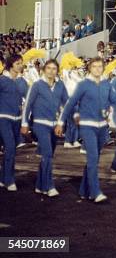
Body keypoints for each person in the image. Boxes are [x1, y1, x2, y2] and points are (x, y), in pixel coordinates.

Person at [56, 57, 111, 202]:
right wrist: (61, 122)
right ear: (90, 69)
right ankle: (95, 192)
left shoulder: (106, 84)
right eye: (95, 66)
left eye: (100, 66)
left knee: (95, 159)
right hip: (87, 126)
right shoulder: (83, 85)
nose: (98, 69)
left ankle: (84, 189)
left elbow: (114, 99)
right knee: (92, 157)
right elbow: (70, 103)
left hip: (102, 127)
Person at [21, 59, 68, 196]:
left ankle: (40, 185)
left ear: (57, 71)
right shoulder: (37, 85)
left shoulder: (60, 85)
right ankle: (49, 186)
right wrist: (24, 123)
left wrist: (62, 121)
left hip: (54, 126)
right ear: (43, 70)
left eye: (54, 69)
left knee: (48, 156)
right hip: (40, 125)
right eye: (49, 68)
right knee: (47, 154)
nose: (51, 71)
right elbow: (28, 105)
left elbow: (67, 104)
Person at [0, 55, 27, 191]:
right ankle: (9, 180)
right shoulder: (2, 80)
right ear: (10, 65)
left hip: (17, 120)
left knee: (11, 149)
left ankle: (3, 178)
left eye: (21, 63)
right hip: (3, 119)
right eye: (17, 63)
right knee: (10, 148)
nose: (20, 65)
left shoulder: (21, 81)